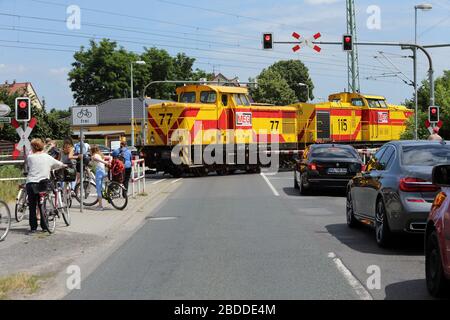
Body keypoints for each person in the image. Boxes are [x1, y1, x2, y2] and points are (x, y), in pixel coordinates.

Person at [26, 138, 66, 234]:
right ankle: (44, 226)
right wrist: (63, 165)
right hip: (42, 183)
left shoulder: (30, 157)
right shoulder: (47, 157)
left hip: (31, 183)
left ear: (33, 147)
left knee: (32, 206)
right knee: (42, 205)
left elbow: (29, 167)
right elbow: (58, 164)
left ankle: (33, 228)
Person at [90, 145, 110, 211]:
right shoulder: (100, 154)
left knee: (98, 188)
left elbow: (97, 161)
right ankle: (108, 194)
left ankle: (100, 206)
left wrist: (106, 163)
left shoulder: (94, 156)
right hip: (102, 170)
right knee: (102, 186)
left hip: (99, 172)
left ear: (92, 150)